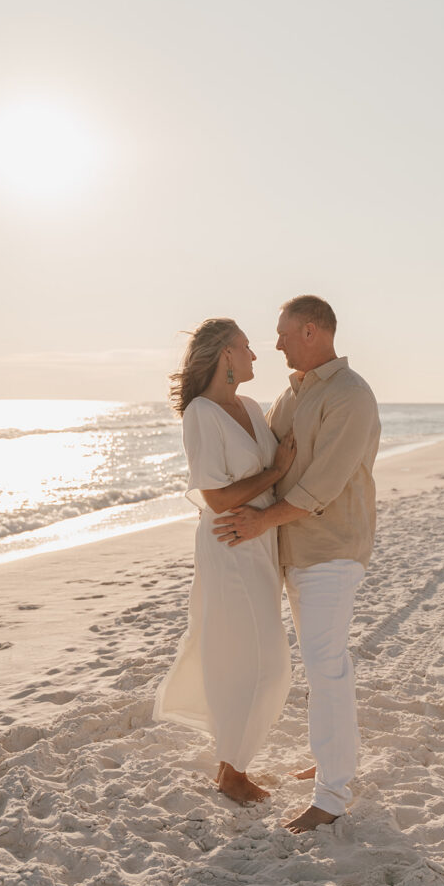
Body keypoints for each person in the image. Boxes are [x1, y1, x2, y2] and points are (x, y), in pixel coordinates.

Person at [213, 295, 380, 833]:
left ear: (312, 331)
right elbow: (266, 459)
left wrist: (262, 523)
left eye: (283, 332)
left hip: (332, 547)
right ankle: (334, 760)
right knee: (325, 666)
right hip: (295, 551)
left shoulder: (351, 395)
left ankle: (331, 795)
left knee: (325, 662)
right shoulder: (290, 394)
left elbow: (323, 484)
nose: (277, 343)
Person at [153, 318, 296, 804]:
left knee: (252, 656)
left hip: (261, 542)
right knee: (266, 660)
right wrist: (276, 471)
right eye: (247, 347)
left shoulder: (253, 408)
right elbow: (215, 497)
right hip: (229, 545)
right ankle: (231, 770)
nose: (256, 356)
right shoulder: (201, 413)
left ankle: (229, 766)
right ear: (225, 355)